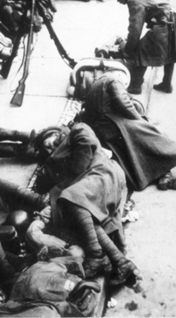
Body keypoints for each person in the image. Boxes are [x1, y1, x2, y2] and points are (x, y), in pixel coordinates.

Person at [81, 74, 176, 193]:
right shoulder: (112, 81)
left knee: (155, 149)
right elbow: (126, 104)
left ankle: (165, 178)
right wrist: (143, 123)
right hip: (121, 128)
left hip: (107, 133)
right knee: (170, 146)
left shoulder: (93, 91)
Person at [33, 123, 139, 286]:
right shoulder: (58, 161)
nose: (49, 149)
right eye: (45, 150)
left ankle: (97, 256)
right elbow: (41, 186)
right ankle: (122, 262)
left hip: (103, 174)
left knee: (72, 196)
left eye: (48, 143)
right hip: (92, 188)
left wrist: (73, 172)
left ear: (57, 133)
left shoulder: (76, 131)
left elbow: (86, 141)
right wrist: (48, 164)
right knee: (81, 217)